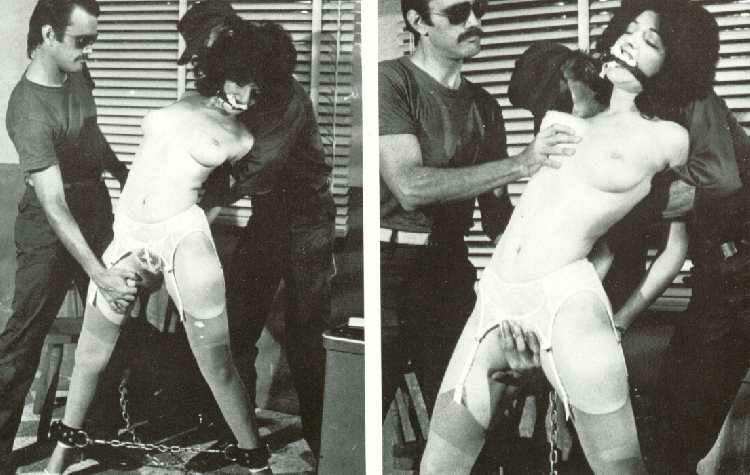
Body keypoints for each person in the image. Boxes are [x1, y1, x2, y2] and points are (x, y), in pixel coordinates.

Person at [420, 2, 715, 473]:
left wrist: (620, 319)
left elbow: (678, 235)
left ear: (673, 65)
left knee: (620, 469)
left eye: (651, 41)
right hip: (494, 296)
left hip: (564, 303)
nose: (630, 41)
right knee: (437, 467)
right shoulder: (567, 114)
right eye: (630, 29)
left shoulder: (671, 138)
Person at [44, 19, 274, 475]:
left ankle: (257, 464)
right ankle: (57, 462)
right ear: (222, 69)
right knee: (89, 356)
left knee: (218, 366)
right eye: (241, 82)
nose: (246, 98)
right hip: (128, 232)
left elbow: (220, 192)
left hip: (182, 237)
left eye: (258, 91)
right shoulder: (186, 98)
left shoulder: (244, 138)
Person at [379, 0, 579, 433]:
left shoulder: (485, 106)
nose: (473, 22)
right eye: (456, 13)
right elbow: (409, 187)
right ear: (418, 22)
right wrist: (522, 163)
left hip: (448, 271)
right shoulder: (390, 81)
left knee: (468, 421)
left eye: (478, 10)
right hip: (386, 272)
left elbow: (496, 217)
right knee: (362, 417)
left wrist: (549, 273)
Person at [167, 2, 337, 469]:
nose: (201, 66)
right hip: (267, 217)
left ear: (225, 35)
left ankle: (327, 450)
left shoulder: (283, 93)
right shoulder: (230, 78)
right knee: (237, 327)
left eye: (203, 53)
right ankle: (238, 441)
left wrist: (187, 204)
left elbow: (256, 168)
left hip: (307, 220)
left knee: (306, 338)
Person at [0, 1, 135, 472]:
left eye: (93, 40)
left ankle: (98, 439)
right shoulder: (27, 108)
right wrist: (100, 273)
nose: (89, 51)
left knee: (113, 323)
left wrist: (122, 172)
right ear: (48, 35)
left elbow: (92, 132)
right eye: (82, 41)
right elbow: (55, 205)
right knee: (23, 340)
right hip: (48, 224)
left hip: (94, 207)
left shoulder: (77, 73)